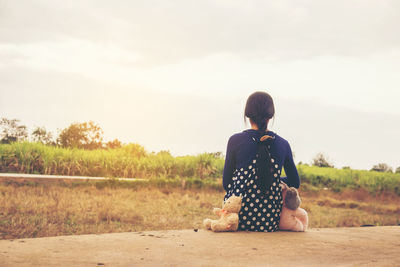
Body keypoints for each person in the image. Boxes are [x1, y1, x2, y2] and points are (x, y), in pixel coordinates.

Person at [223, 91, 300, 232]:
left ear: (247, 114)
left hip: (238, 218)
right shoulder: (283, 144)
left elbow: (227, 183)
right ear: (271, 116)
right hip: (269, 221)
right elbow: (295, 182)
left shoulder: (235, 140)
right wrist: (273, 178)